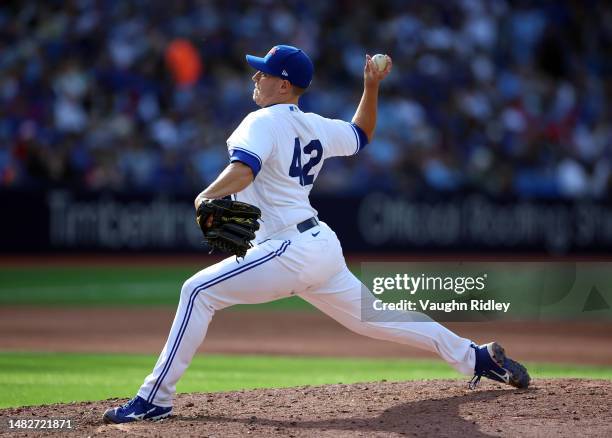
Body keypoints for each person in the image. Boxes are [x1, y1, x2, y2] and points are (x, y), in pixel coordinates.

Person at [103, 45, 529, 424]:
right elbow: (361, 134)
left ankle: (153, 399)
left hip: (288, 248)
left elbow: (244, 169)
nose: (256, 77)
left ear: (284, 85)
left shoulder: (260, 121)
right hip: (319, 246)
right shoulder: (315, 125)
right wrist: (371, 86)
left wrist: (205, 196)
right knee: (377, 317)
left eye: (264, 72)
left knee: (197, 292)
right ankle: (473, 355)